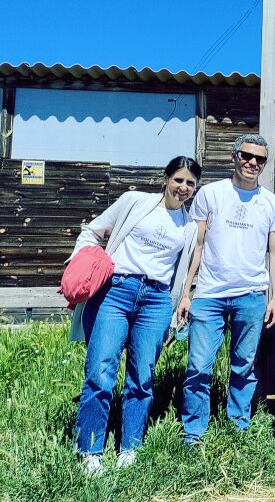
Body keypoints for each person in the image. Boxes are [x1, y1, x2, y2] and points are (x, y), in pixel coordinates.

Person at [71, 156, 201, 476]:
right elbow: (93, 231)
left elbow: (180, 274)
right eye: (178, 180)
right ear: (166, 178)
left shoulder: (189, 226)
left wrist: (176, 309)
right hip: (116, 291)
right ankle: (90, 451)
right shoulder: (134, 202)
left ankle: (129, 448)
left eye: (190, 184)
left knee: (142, 377)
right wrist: (79, 268)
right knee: (100, 371)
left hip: (156, 301)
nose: (183, 188)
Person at [176, 134, 275, 445]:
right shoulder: (211, 194)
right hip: (208, 295)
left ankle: (238, 427)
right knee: (198, 366)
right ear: (234, 156)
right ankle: (193, 432)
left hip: (251, 296)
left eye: (259, 159)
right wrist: (187, 292)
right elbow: (196, 246)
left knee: (244, 366)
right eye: (247, 156)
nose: (252, 163)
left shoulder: (271, 203)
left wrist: (274, 298)